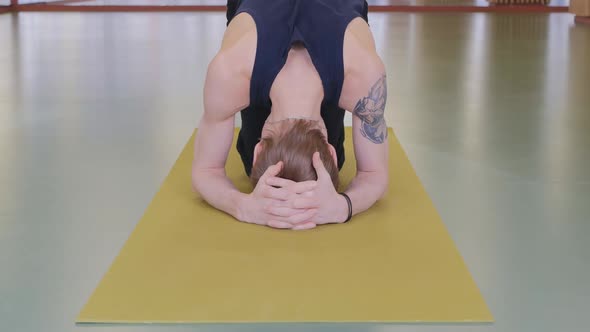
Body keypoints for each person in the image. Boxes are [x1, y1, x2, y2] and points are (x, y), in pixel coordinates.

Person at [192, 0, 389, 230]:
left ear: (259, 152)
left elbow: (206, 170)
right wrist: (241, 206)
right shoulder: (231, 72)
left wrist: (343, 206)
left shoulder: (363, 73)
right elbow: (206, 171)